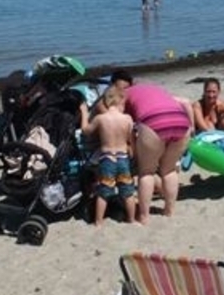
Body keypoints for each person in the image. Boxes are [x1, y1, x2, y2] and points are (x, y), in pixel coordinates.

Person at [116, 78, 193, 224]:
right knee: (169, 170)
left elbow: (122, 120)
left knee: (147, 172)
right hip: (181, 121)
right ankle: (169, 210)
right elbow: (184, 103)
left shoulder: (125, 94)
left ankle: (144, 216)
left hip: (154, 121)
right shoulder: (159, 90)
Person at [79, 85, 137, 226]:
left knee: (104, 191)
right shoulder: (128, 119)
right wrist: (133, 154)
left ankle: (99, 222)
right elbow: (131, 140)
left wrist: (84, 114)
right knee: (128, 191)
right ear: (120, 101)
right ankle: (131, 219)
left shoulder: (101, 118)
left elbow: (86, 131)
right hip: (123, 158)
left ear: (106, 102)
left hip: (107, 159)